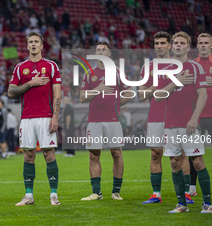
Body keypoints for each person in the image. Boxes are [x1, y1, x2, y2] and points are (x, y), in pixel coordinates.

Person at [155, 31, 212, 213]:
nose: (178, 45)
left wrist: (195, 118)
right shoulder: (164, 70)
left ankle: (208, 204)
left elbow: (202, 95)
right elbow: (157, 96)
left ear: (188, 47)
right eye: (175, 42)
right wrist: (175, 81)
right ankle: (181, 205)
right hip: (170, 124)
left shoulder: (196, 69)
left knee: (197, 162)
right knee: (174, 163)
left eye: (181, 43)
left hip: (189, 123)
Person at [139, 31, 193, 205]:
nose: (160, 46)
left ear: (170, 45)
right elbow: (141, 95)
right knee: (155, 154)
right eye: (157, 43)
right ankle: (156, 194)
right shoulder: (148, 67)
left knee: (182, 155)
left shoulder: (181, 64)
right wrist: (155, 87)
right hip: (155, 116)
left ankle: (186, 194)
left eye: (163, 43)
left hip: (177, 116)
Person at [8, 31, 62, 206]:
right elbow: (11, 92)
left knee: (49, 154)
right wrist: (31, 83)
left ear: (41, 45)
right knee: (28, 156)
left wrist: (55, 116)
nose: (33, 44)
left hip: (46, 117)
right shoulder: (19, 68)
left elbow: (57, 94)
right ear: (27, 45)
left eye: (36, 42)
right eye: (30, 41)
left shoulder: (51, 66)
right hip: (27, 118)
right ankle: (28, 196)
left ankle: (54, 195)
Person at [79, 41, 133, 201]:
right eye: (98, 50)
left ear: (109, 54)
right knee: (93, 156)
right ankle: (97, 193)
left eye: (104, 50)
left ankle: (116, 191)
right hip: (94, 120)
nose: (100, 52)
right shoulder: (89, 73)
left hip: (113, 120)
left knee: (116, 153)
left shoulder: (117, 72)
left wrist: (116, 104)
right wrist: (98, 90)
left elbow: (129, 94)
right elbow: (82, 98)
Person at [189, 33, 212, 197]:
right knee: (193, 152)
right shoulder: (192, 65)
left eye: (206, 43)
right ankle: (191, 187)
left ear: (211, 45)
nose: (203, 45)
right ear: (197, 46)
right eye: (201, 43)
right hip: (196, 116)